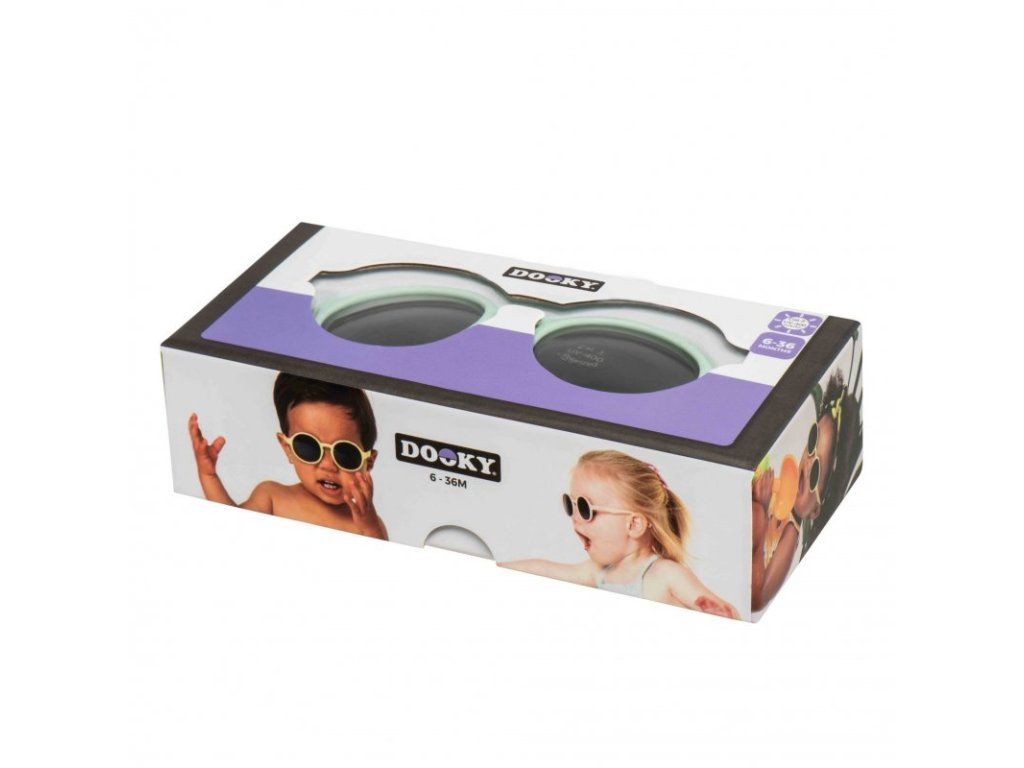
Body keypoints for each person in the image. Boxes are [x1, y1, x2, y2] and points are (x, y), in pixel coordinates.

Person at [501, 450, 738, 618]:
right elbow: (545, 569)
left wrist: (714, 611)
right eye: (570, 505)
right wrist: (499, 566)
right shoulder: (598, 572)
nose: (574, 517)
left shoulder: (664, 573)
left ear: (633, 524)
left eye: (585, 508)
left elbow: (727, 614)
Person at [188, 372, 387, 540]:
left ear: (368, 462)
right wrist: (208, 476)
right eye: (308, 447)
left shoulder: (366, 524)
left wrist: (369, 526)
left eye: (344, 453)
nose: (328, 465)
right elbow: (235, 529)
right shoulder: (273, 496)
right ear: (288, 449)